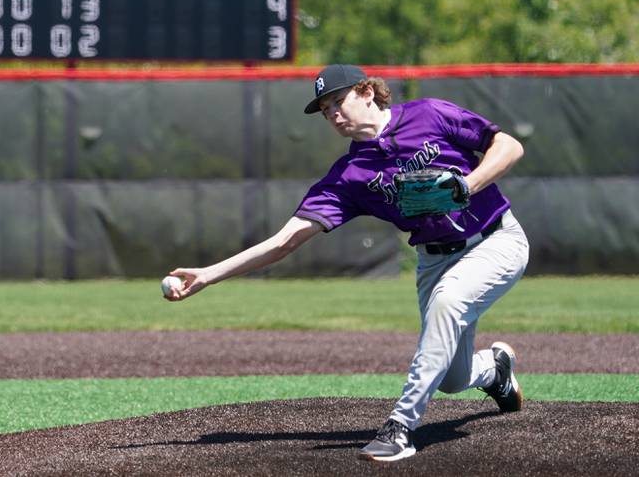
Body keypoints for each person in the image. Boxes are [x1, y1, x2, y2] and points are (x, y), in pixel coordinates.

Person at [163, 64, 530, 462]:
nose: (333, 114)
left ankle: (401, 427)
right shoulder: (350, 176)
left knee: (448, 301)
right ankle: (494, 370)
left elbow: (509, 145)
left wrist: (468, 185)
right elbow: (285, 241)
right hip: (434, 261)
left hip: (496, 239)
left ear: (367, 92)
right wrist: (209, 275)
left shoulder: (429, 113)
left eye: (339, 100)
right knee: (453, 378)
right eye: (325, 110)